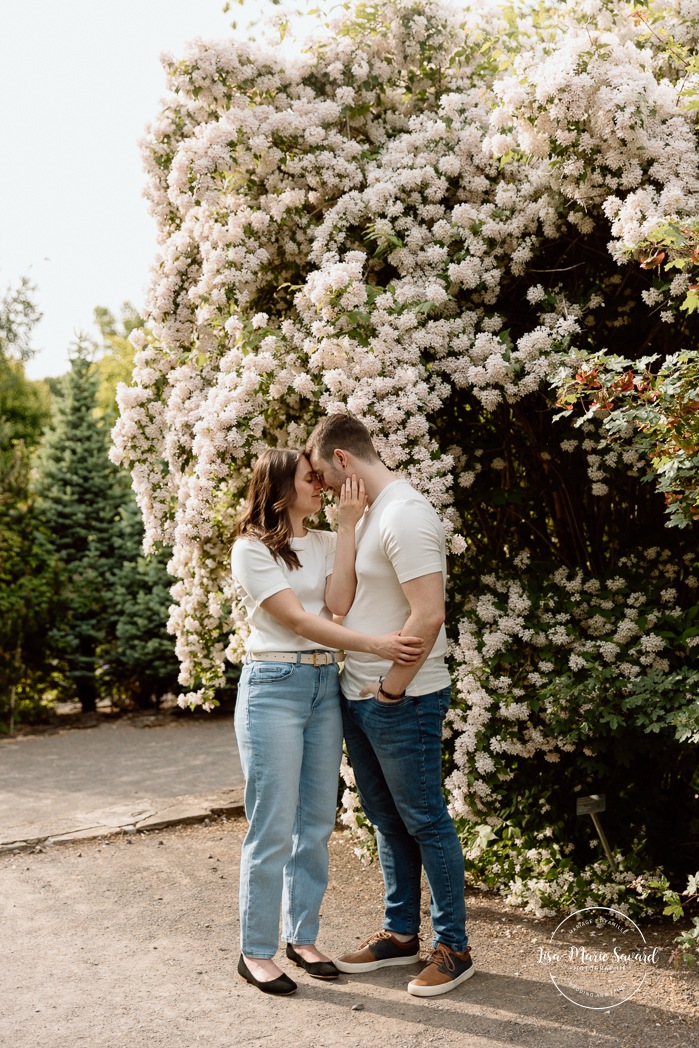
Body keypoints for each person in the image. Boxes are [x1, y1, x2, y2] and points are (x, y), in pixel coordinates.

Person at [231, 447, 424, 996]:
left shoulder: (319, 540)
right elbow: (296, 620)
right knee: (271, 824)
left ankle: (302, 936)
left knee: (315, 822)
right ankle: (256, 951)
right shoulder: (250, 549)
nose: (322, 485)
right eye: (310, 479)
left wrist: (345, 528)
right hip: (273, 687)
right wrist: (376, 643)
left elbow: (337, 604)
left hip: (322, 687)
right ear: (280, 487)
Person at [306, 415, 474, 998]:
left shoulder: (407, 514)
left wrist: (392, 691)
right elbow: (341, 603)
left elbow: (428, 615)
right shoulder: (369, 515)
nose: (322, 486)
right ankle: (401, 934)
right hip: (361, 695)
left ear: (343, 460)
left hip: (403, 698)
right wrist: (346, 526)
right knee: (386, 820)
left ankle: (453, 948)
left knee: (426, 819)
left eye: (324, 475)